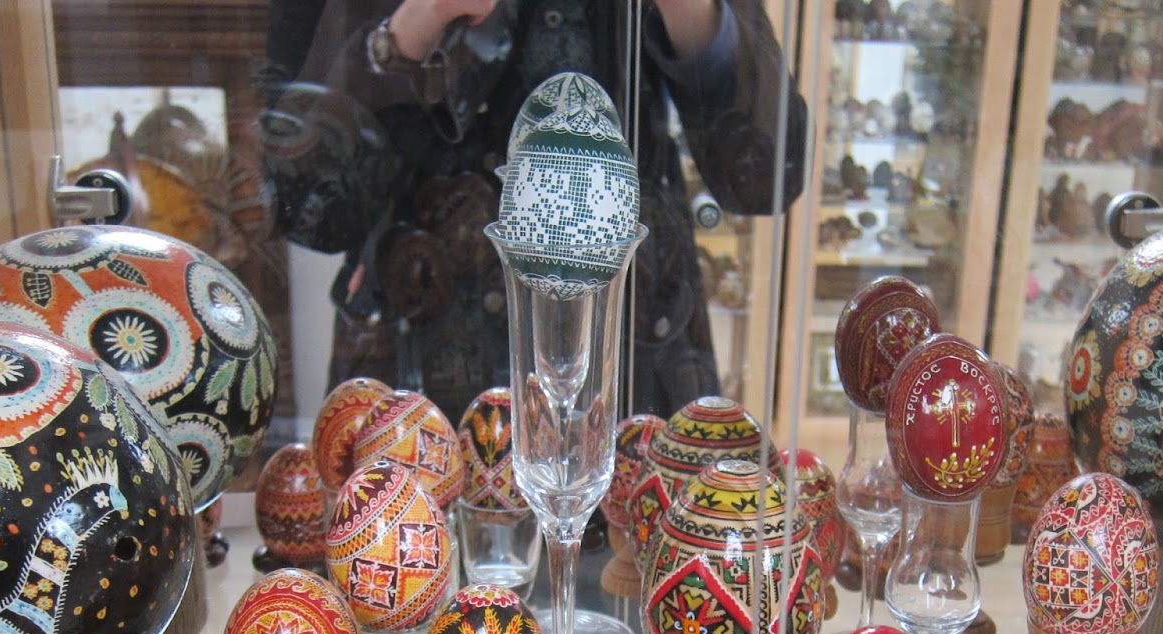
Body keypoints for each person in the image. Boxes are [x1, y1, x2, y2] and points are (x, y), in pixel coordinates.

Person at [260, 0, 806, 423]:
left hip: (632, 361)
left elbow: (769, 176)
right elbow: (303, 201)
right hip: (419, 364)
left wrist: (690, 13)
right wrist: (410, 28)